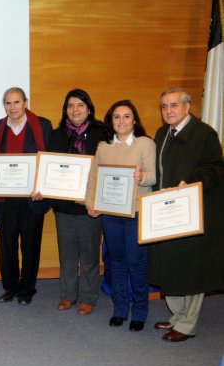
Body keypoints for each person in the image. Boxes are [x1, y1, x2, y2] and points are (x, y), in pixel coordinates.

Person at [148, 88, 224, 342]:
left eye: (174, 105)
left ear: (188, 107)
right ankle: (177, 316)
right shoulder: (162, 133)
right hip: (167, 212)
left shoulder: (204, 134)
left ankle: (187, 324)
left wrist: (189, 181)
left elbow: (215, 169)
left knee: (191, 268)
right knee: (171, 265)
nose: (168, 110)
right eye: (164, 106)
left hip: (194, 212)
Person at [86, 100, 155, 331]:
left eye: (126, 116)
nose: (122, 121)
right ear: (110, 121)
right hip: (111, 213)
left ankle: (140, 312)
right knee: (115, 262)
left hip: (135, 212)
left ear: (134, 120)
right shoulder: (103, 147)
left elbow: (153, 176)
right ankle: (120, 309)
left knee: (136, 263)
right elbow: (94, 178)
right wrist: (90, 202)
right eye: (117, 117)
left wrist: (140, 177)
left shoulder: (145, 144)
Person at [0, 87, 52, 305]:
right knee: (7, 245)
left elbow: (48, 158)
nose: (12, 107)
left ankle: (27, 289)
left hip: (32, 198)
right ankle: (10, 287)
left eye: (16, 102)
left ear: (25, 102)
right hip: (5, 198)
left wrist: (44, 187)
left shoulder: (42, 125)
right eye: (8, 103)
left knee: (30, 245)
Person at [45, 89, 103, 315]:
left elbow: (106, 169)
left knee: (89, 254)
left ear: (88, 108)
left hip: (90, 207)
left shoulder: (102, 134)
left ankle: (88, 298)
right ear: (65, 110)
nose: (75, 110)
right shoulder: (57, 135)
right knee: (67, 253)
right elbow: (49, 168)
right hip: (64, 207)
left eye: (80, 105)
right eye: (70, 106)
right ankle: (68, 295)